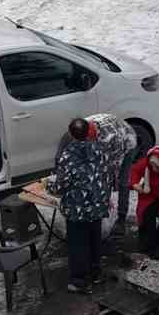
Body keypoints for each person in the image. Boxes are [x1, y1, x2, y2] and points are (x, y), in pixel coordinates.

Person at [49, 119, 111, 292]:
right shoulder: (100, 150)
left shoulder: (68, 155)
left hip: (77, 209)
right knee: (94, 239)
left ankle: (79, 281)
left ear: (70, 134)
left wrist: (49, 186)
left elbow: (61, 186)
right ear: (88, 132)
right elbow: (107, 175)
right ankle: (96, 272)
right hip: (97, 205)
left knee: (78, 243)